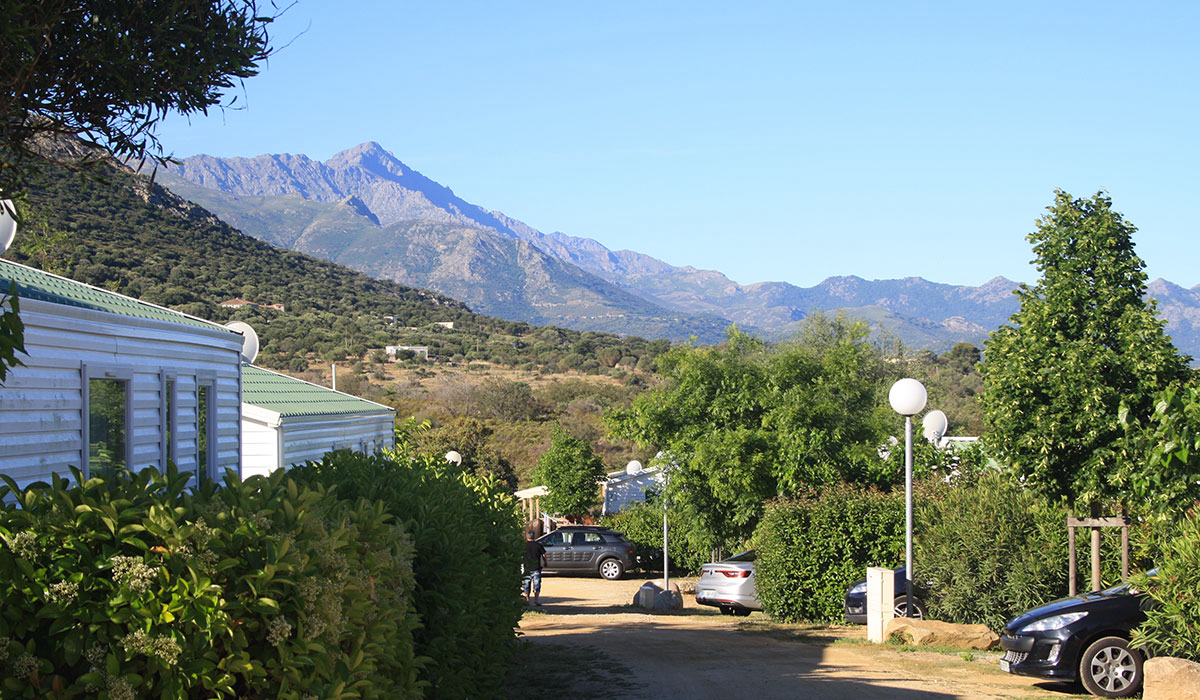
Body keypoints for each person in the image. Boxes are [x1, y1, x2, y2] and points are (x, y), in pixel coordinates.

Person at [523, 528, 548, 606]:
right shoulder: (538, 545)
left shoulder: (523, 546)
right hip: (536, 568)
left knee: (526, 584)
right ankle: (536, 600)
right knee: (536, 584)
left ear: (526, 537)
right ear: (534, 537)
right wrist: (545, 562)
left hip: (527, 568)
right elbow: (544, 555)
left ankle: (527, 600)